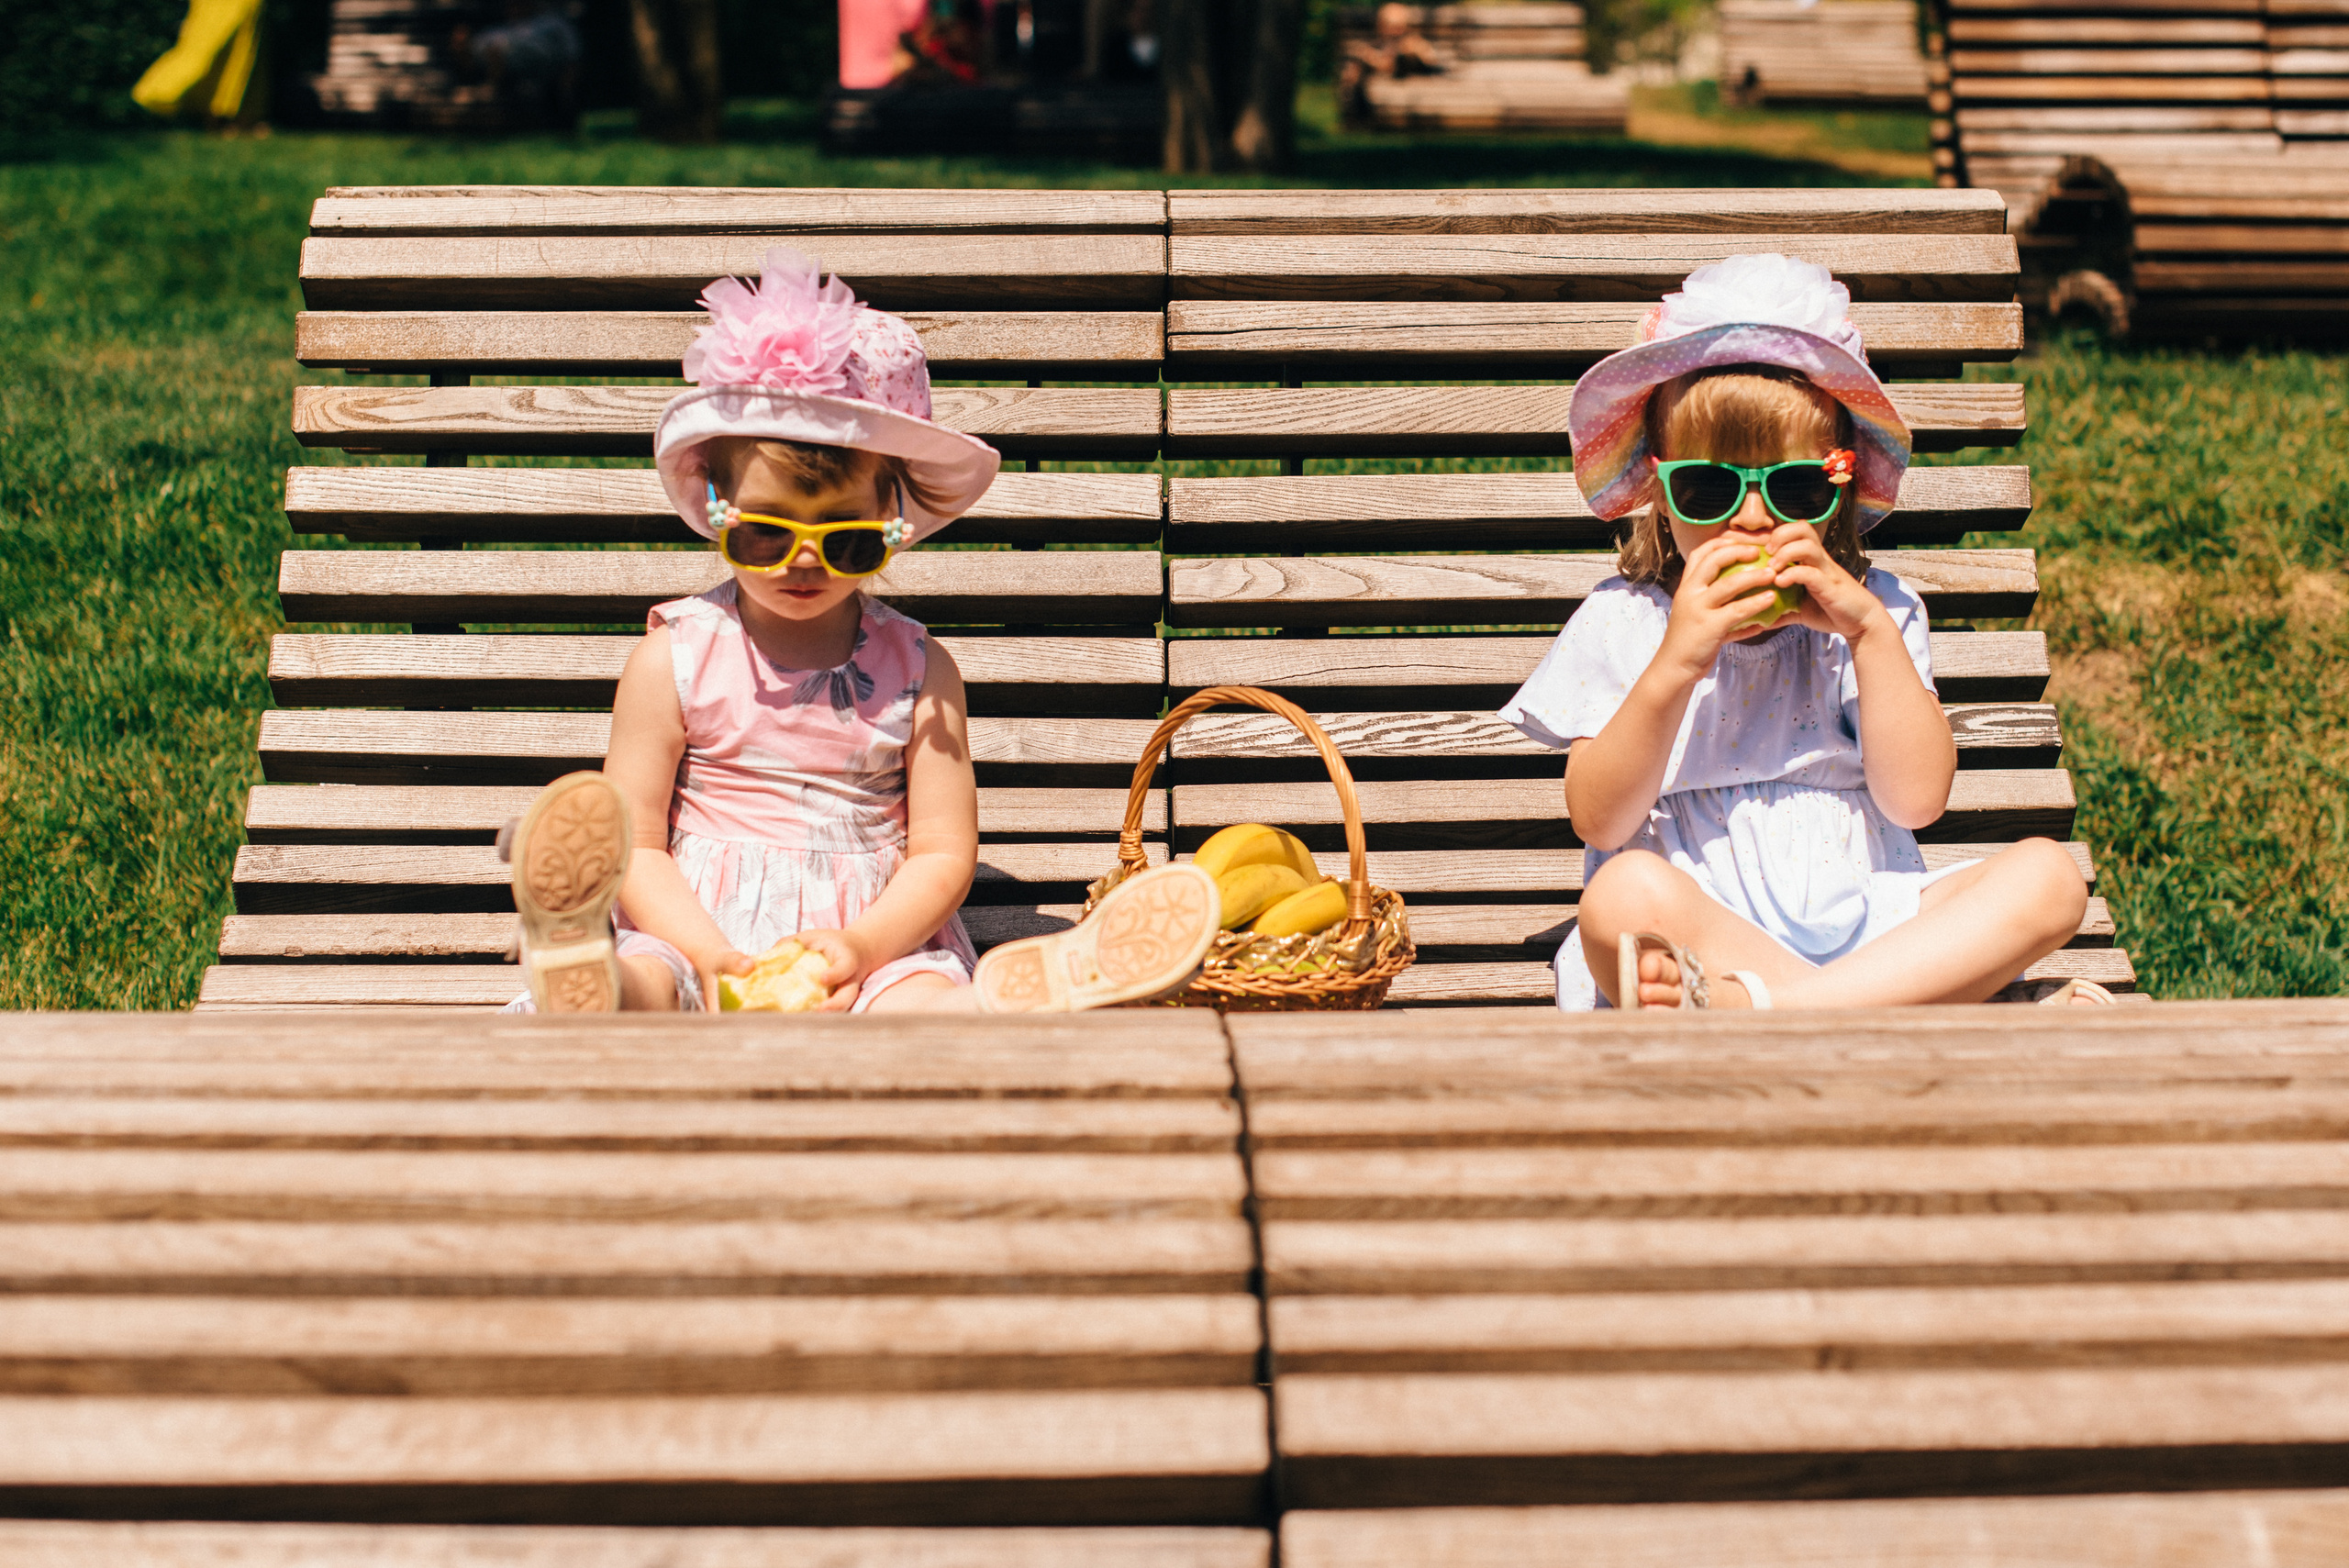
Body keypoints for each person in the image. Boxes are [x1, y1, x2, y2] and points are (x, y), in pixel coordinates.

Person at [500, 249, 1221, 1016]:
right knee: (656, 976)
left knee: (916, 996)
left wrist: (868, 946)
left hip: (871, 945)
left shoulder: (919, 669)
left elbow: (942, 851)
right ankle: (591, 979)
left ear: (892, 521)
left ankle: (1013, 1000)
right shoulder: (674, 656)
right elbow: (638, 843)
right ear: (716, 505)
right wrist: (711, 955)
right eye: (765, 537)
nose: (802, 565)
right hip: (698, 933)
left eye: (846, 542)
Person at [1499, 252, 2112, 1011]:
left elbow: (1917, 801)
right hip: (1705, 934)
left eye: (1793, 487)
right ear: (1660, 492)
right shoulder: (1626, 620)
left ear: (1840, 488)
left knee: (2049, 878)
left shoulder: (1873, 614)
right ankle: (1899, 1015)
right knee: (1619, 899)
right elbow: (1599, 816)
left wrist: (1869, 637)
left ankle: (1780, 1015)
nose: (1752, 517)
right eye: (1708, 487)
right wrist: (1676, 663)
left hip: (1872, 928)